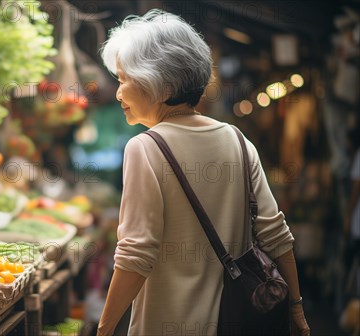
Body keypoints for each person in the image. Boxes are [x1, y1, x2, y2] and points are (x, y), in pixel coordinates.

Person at [97, 10, 310, 336]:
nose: (118, 92)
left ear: (158, 82)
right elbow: (277, 236)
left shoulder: (145, 148)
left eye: (124, 79)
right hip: (237, 322)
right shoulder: (238, 142)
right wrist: (295, 305)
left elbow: (135, 256)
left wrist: (104, 328)